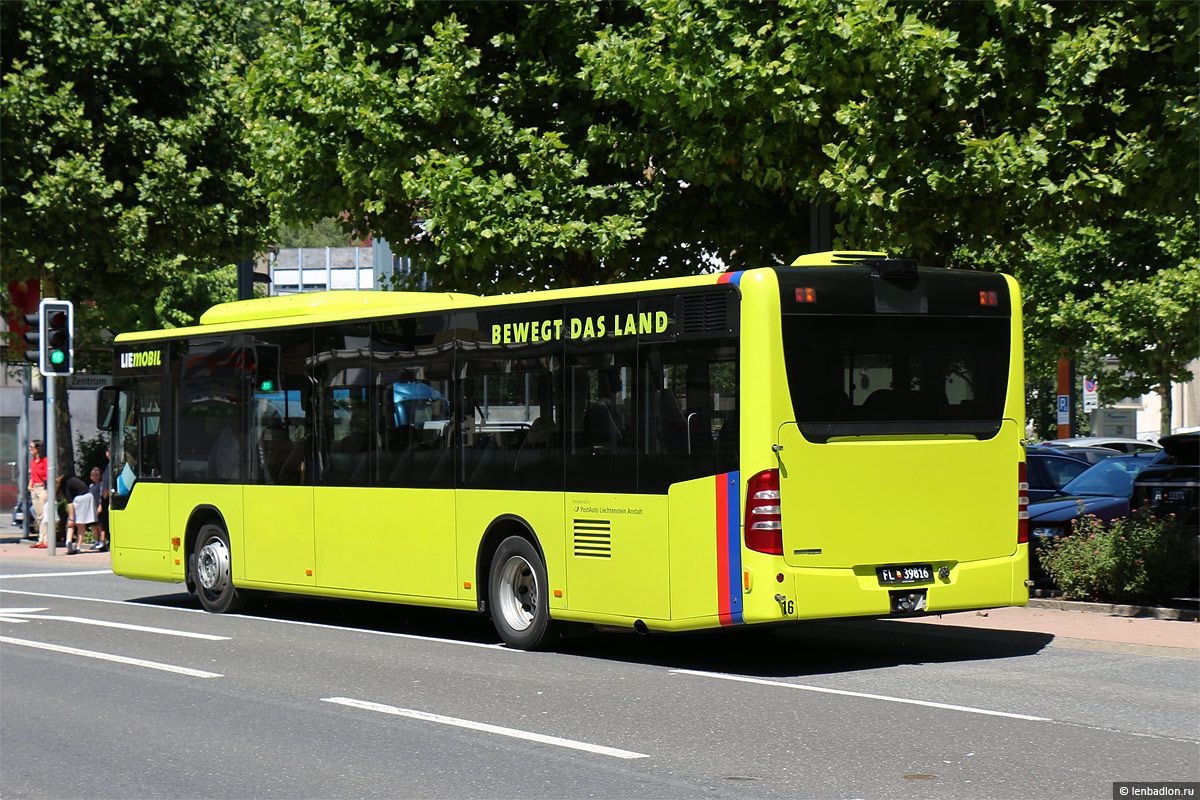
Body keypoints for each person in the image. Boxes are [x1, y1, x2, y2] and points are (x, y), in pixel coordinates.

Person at [61, 472, 90, 555]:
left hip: (81, 499)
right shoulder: (71, 480)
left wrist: (71, 518)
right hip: (85, 496)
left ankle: (69, 541)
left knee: (72, 523)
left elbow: (70, 503)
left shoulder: (64, 485)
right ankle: (77, 546)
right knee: (81, 524)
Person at [27, 440, 48, 548]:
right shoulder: (32, 462)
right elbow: (32, 475)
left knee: (44, 514)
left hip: (42, 487)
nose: (30, 449)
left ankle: (46, 539)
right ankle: (40, 539)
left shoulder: (45, 461)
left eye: (32, 447)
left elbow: (47, 475)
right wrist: (30, 485)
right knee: (39, 515)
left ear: (38, 449)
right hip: (34, 488)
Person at [92, 451, 110, 552]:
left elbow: (106, 485)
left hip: (106, 500)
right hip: (104, 500)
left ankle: (104, 541)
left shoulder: (110, 467)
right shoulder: (110, 466)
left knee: (103, 523)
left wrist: (104, 499)